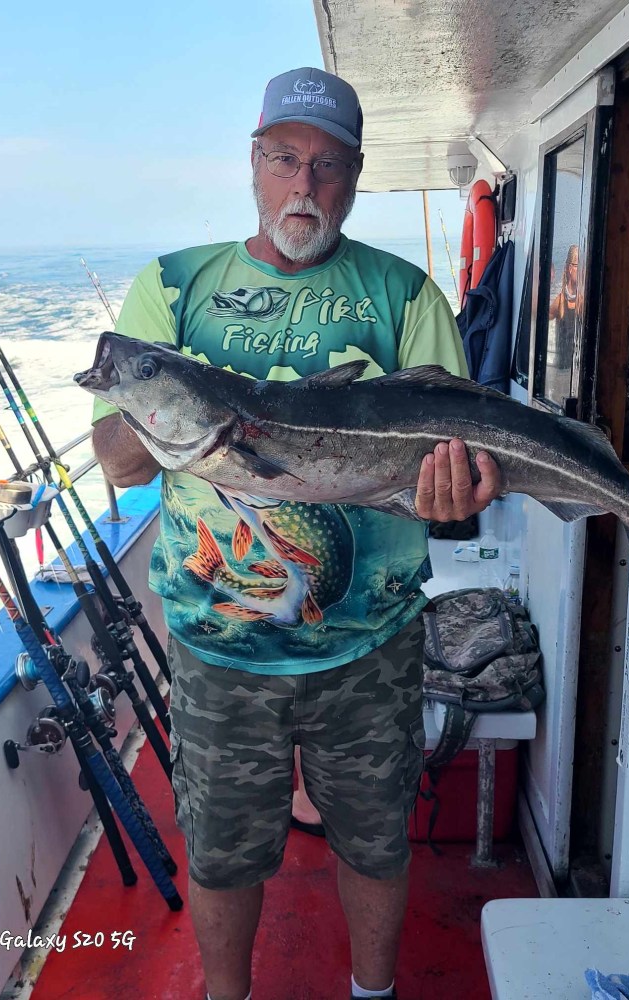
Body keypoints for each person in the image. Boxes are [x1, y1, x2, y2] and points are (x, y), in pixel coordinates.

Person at [92, 66, 501, 1000]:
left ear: (354, 179)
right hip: (218, 647)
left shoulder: (405, 296)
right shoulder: (174, 285)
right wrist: (146, 411)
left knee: (374, 835)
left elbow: (462, 476)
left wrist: (453, 492)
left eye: (326, 166)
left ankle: (374, 992)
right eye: (285, 159)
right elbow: (121, 462)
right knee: (224, 849)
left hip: (372, 646)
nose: (303, 186)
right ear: (253, 162)